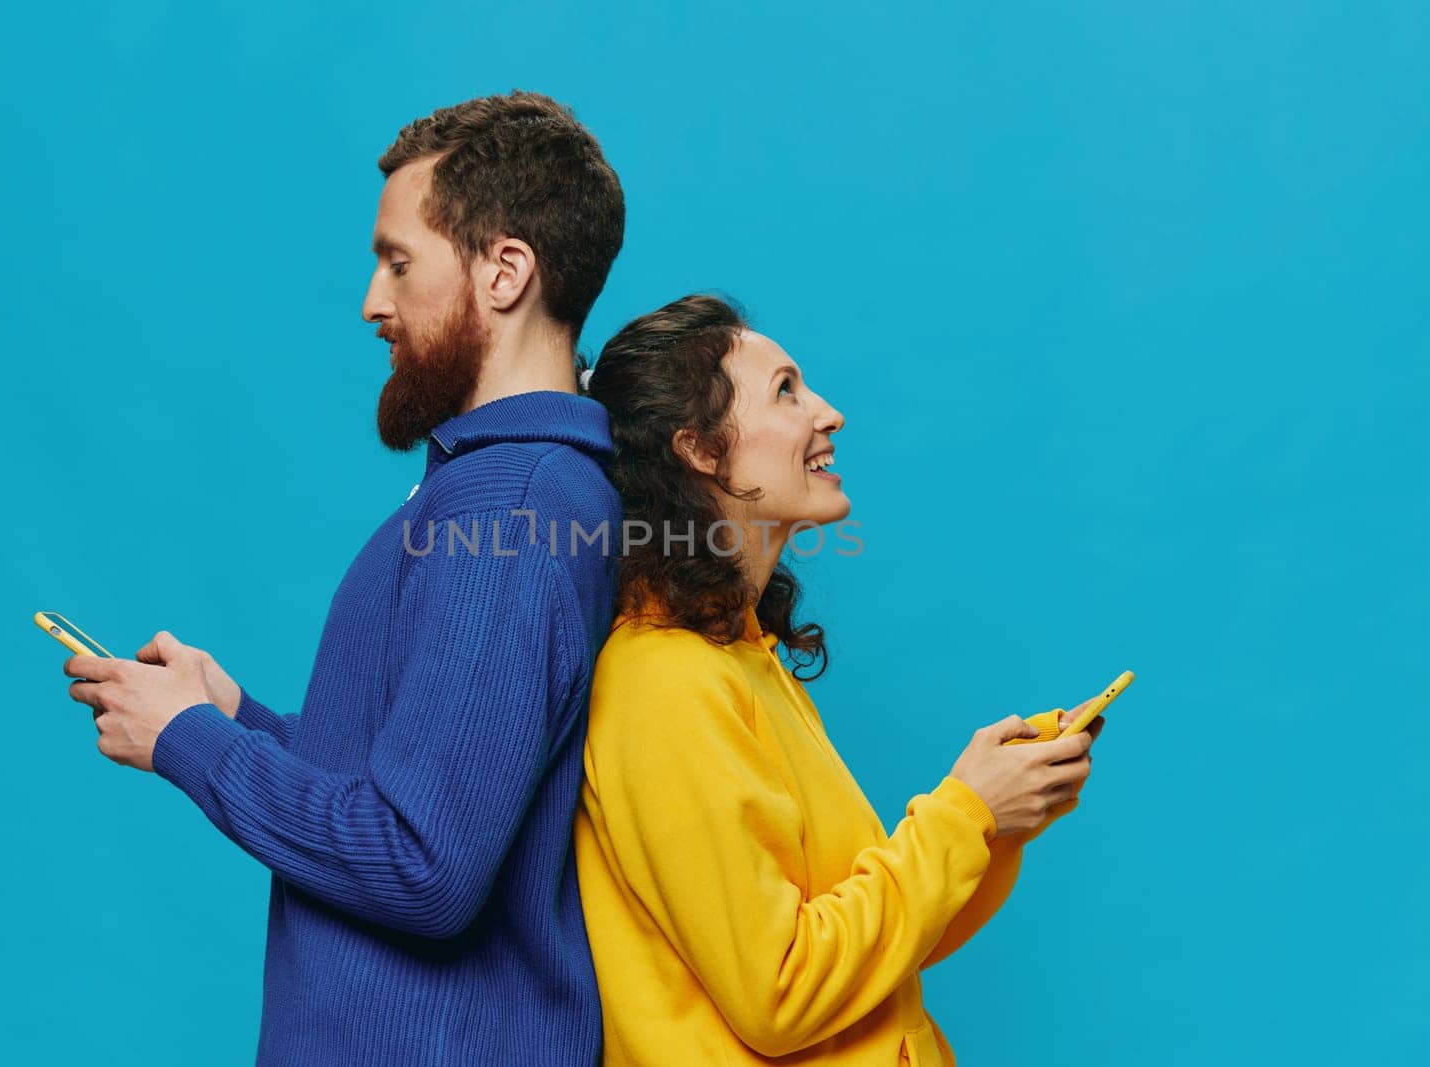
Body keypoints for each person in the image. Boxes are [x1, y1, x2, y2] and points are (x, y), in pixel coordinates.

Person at [64, 91, 625, 1065]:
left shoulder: (513, 507)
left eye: (400, 262)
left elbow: (426, 865)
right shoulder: (485, 492)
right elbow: (412, 789)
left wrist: (189, 742)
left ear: (504, 271)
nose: (373, 299)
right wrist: (232, 714)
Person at [574, 293, 1103, 1065]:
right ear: (700, 449)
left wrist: (994, 824)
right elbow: (781, 991)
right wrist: (962, 814)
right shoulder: (662, 683)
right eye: (786, 389)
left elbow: (873, 954)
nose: (829, 413)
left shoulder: (743, 660)